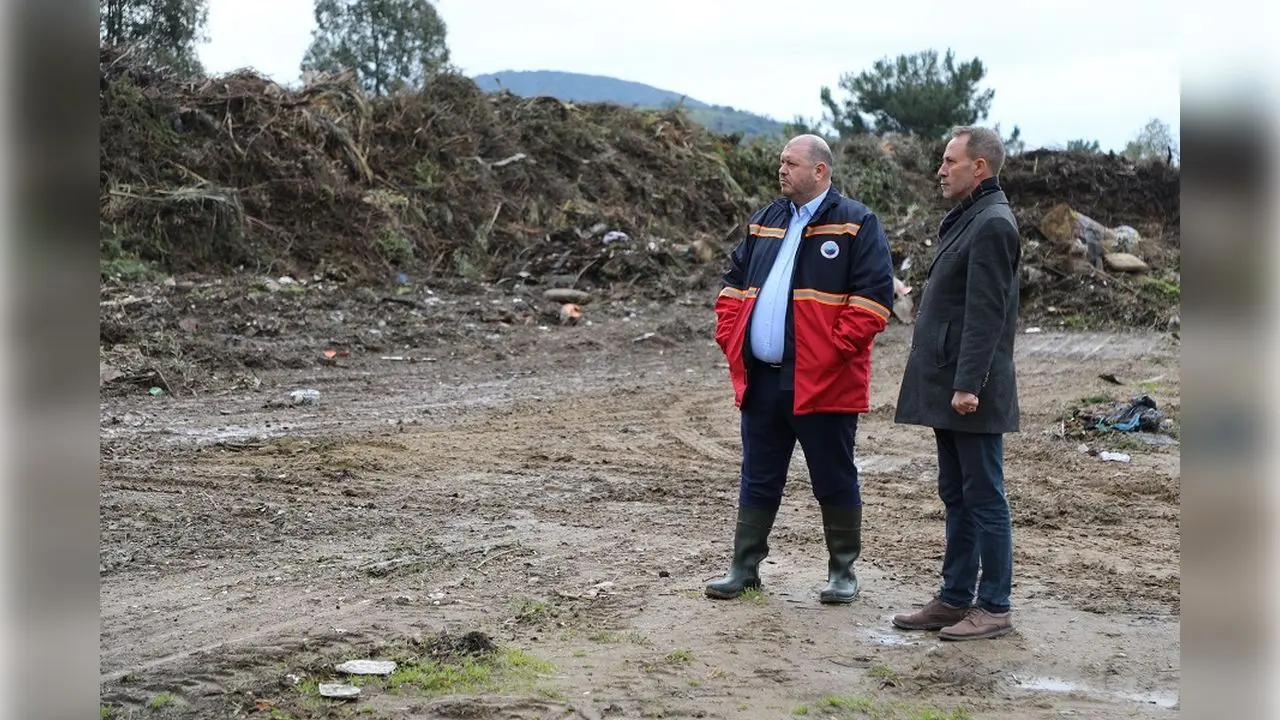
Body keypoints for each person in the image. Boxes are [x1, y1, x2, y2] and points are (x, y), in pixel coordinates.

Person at [707, 134, 895, 604]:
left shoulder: (857, 222)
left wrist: (831, 352)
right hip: (763, 379)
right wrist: (731, 334)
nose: (782, 170)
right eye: (781, 162)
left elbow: (873, 301)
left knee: (833, 476)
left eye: (791, 163)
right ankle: (744, 569)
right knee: (758, 475)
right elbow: (732, 286)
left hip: (824, 382)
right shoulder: (765, 220)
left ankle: (842, 573)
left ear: (820, 171)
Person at [890, 126, 1021, 641]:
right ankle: (954, 598)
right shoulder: (971, 216)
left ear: (979, 167)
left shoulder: (993, 223)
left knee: (984, 496)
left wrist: (969, 384)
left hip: (971, 390)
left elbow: (988, 315)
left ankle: (994, 606)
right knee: (958, 494)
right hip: (951, 382)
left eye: (950, 161)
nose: (941, 170)